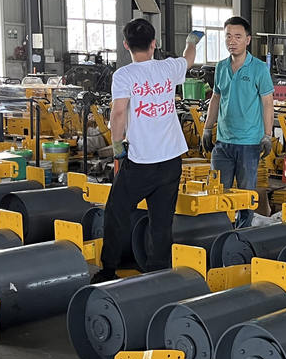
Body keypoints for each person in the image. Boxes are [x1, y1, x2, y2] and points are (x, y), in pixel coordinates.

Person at [94, 19, 200, 282]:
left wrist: (117, 145)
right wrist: (191, 41)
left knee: (117, 212)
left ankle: (108, 270)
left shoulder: (124, 75)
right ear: (154, 44)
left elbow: (119, 112)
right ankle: (158, 274)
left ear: (126, 45)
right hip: (171, 160)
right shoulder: (168, 68)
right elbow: (188, 59)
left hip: (141, 161)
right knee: (161, 220)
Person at [201, 16, 274, 229]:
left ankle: (242, 236)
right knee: (217, 194)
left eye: (238, 37)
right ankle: (219, 234)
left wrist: (267, 135)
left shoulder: (259, 68)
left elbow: (267, 103)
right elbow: (216, 98)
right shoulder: (221, 67)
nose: (232, 41)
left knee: (245, 197)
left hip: (248, 144)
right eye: (228, 36)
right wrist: (207, 128)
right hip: (223, 143)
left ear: (248, 40)